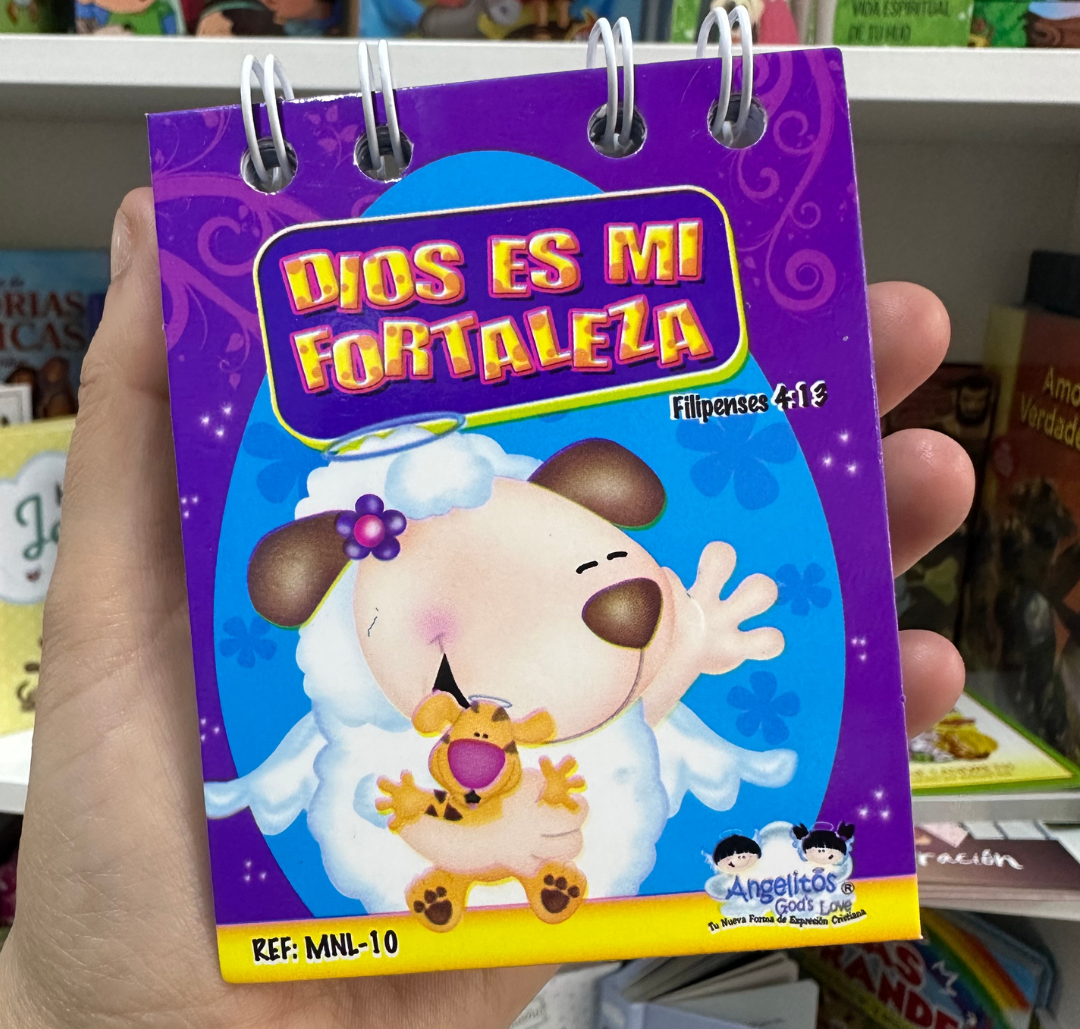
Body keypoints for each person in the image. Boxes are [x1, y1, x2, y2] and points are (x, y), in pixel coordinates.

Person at [0, 190, 971, 1028]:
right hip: (380, 878)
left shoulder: (609, 736)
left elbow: (644, 696)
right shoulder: (374, 732)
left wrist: (696, 642)